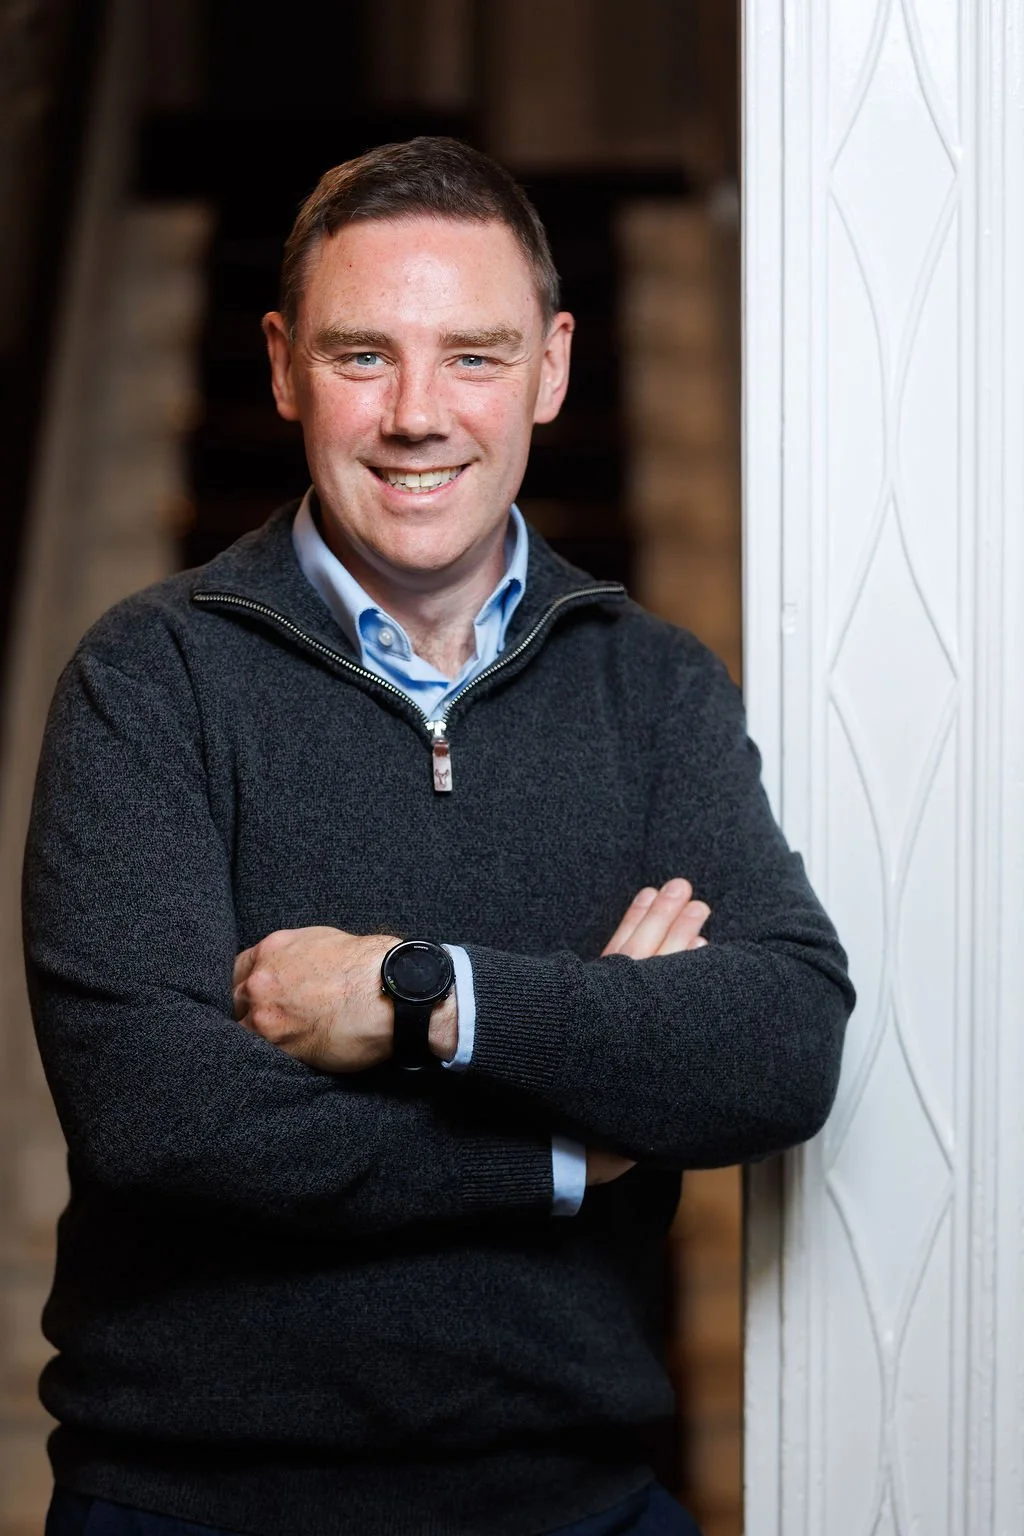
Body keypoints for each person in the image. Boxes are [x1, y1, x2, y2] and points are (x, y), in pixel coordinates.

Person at [25, 137, 854, 1536]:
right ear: (283, 367)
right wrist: (563, 1145)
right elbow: (163, 1118)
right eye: (363, 357)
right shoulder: (149, 679)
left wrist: (425, 997)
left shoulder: (652, 687)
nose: (419, 415)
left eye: (474, 355)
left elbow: (779, 1040)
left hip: (579, 1504)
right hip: (194, 1507)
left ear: (552, 368)